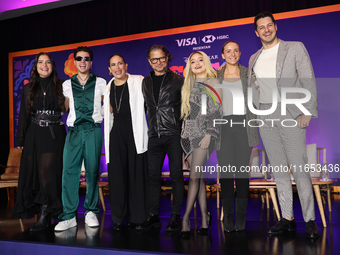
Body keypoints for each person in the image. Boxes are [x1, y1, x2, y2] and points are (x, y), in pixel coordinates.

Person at [248, 12, 319, 239]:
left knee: (299, 169)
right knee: (278, 170)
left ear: (275, 27)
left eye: (270, 25)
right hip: (265, 116)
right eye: (262, 27)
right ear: (256, 32)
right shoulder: (253, 58)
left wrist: (307, 111)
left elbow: (307, 77)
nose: (266, 30)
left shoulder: (295, 48)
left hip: (290, 113)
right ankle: (287, 219)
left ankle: (309, 221)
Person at [11, 52, 66, 232]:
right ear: (36, 66)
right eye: (40, 62)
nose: (44, 65)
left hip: (54, 133)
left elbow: (68, 109)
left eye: (48, 62)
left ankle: (46, 212)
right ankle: (42, 210)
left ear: (52, 65)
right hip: (34, 133)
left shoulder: (61, 85)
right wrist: (20, 138)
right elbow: (24, 114)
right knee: (35, 174)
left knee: (48, 172)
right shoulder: (29, 88)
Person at [54, 46, 106, 231]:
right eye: (79, 58)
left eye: (86, 58)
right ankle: (69, 216)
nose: (82, 61)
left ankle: (91, 211)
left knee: (92, 171)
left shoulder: (101, 82)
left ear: (91, 62)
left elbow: (108, 107)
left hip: (93, 129)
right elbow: (64, 108)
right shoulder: (66, 84)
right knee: (69, 172)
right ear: (74, 62)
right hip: (74, 131)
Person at [136, 45, 184, 232]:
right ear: (149, 61)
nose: (158, 62)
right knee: (152, 177)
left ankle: (175, 217)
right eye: (154, 59)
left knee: (177, 176)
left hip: (173, 133)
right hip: (154, 135)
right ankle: (153, 216)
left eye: (161, 58)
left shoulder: (178, 80)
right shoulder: (145, 82)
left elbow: (185, 108)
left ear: (167, 58)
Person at [216, 40, 259, 232]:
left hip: (243, 125)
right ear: (222, 55)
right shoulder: (215, 75)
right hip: (223, 127)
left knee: (242, 173)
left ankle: (241, 220)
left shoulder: (248, 73)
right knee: (225, 174)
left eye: (235, 50)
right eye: (228, 51)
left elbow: (260, 96)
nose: (232, 54)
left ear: (240, 53)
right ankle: (228, 219)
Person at [104, 54, 148, 231]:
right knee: (117, 175)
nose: (117, 67)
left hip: (135, 130)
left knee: (136, 174)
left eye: (120, 63)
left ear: (126, 65)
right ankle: (118, 217)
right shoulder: (108, 87)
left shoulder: (138, 80)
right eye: (113, 65)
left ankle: (137, 217)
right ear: (109, 69)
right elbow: (109, 111)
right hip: (117, 133)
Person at [180, 51, 222, 238]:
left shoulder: (213, 83)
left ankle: (186, 219)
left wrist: (209, 134)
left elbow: (217, 111)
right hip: (187, 137)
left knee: (194, 177)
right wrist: (183, 144)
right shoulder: (187, 85)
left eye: (200, 60)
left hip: (205, 135)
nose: (197, 63)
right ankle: (205, 219)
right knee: (199, 177)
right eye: (192, 61)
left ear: (206, 62)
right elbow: (187, 115)